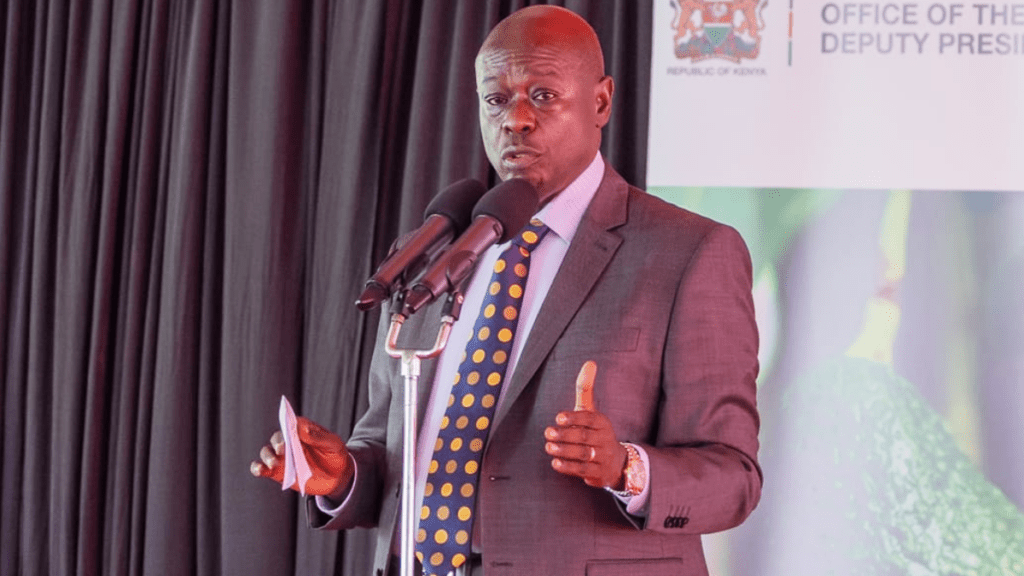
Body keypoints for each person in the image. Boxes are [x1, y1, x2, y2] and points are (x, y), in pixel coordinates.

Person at [251, 6, 761, 576]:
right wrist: (344, 474)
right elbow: (393, 452)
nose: (515, 119)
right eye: (496, 100)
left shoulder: (688, 252)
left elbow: (734, 477)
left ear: (601, 102)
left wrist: (626, 467)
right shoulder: (437, 251)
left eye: (543, 96)